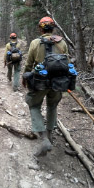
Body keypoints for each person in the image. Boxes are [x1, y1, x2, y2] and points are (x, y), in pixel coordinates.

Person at [23, 16, 69, 157]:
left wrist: (25, 76)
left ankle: (43, 138)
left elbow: (29, 63)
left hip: (39, 81)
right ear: (53, 28)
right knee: (52, 106)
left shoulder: (35, 43)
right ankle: (49, 134)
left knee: (34, 105)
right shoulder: (62, 43)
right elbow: (66, 62)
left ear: (40, 28)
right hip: (57, 82)